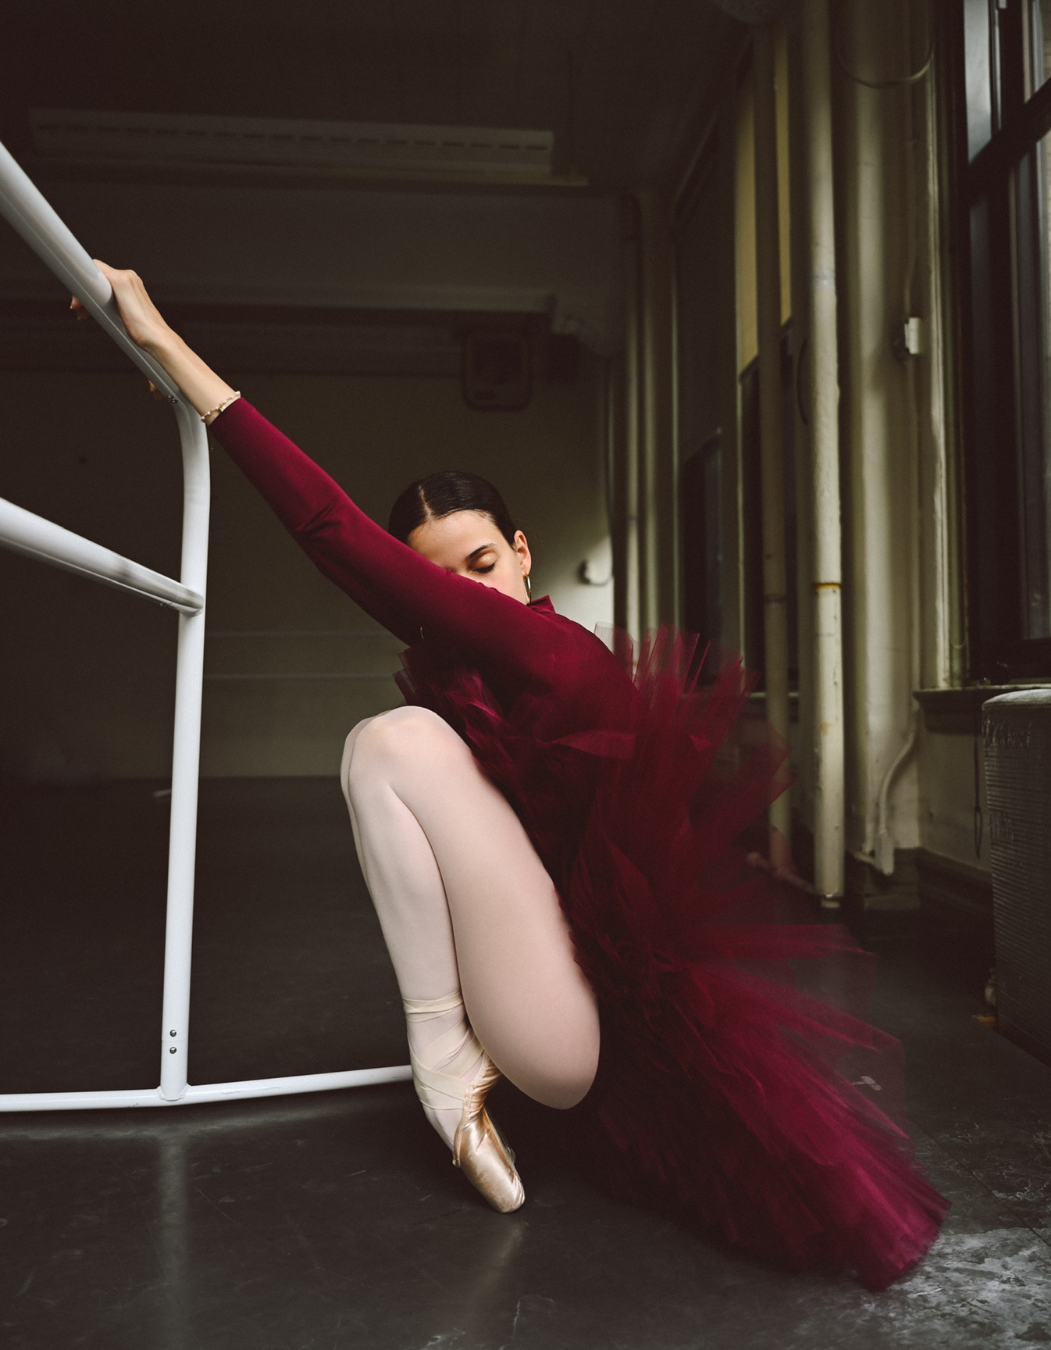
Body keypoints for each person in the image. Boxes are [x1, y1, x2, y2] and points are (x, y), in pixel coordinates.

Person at [75, 264, 948, 1288]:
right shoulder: (466, 655)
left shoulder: (556, 652)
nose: (466, 595)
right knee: (398, 741)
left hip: (576, 1042)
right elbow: (346, 555)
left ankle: (445, 1060)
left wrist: (168, 344)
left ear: (524, 552)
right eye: (438, 583)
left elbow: (330, 530)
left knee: (390, 743)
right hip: (552, 1013)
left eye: (482, 565)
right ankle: (454, 1052)